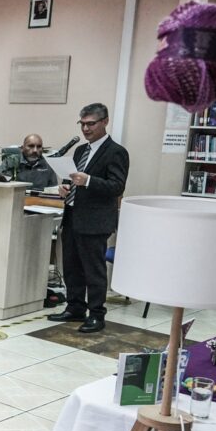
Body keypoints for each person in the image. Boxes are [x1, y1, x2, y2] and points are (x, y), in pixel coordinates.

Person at [47, 103, 129, 334]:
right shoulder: (81, 150)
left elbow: (117, 186)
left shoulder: (116, 152)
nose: (85, 129)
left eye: (91, 124)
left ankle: (96, 315)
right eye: (82, 124)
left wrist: (89, 180)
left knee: (93, 270)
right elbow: (73, 179)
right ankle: (75, 307)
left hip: (95, 221)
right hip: (73, 215)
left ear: (105, 122)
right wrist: (65, 187)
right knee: (71, 266)